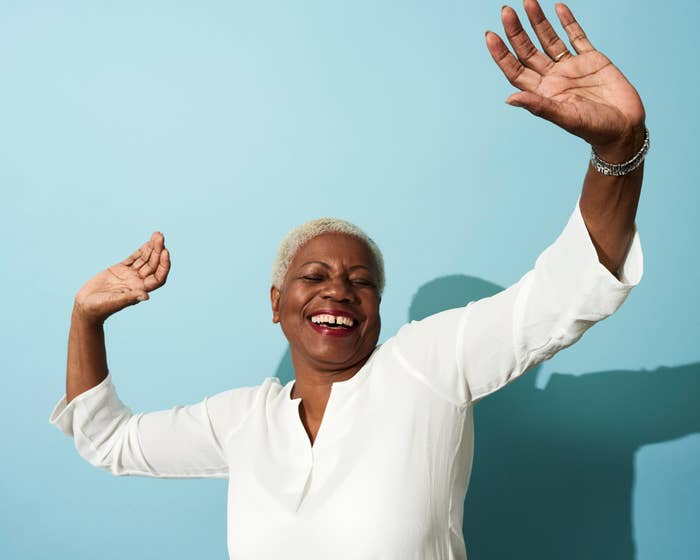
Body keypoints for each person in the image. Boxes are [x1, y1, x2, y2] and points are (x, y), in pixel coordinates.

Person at [49, 2, 646, 558]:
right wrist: (86, 316)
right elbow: (108, 440)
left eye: (360, 281)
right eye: (316, 275)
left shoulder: (426, 366)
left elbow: (566, 291)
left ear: (377, 309)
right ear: (277, 303)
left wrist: (618, 149)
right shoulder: (242, 421)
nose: (338, 289)